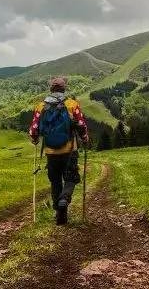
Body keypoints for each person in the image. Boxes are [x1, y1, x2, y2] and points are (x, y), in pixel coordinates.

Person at [29, 76, 89, 225]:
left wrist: (35, 139)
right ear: (64, 89)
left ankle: (59, 216)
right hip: (69, 150)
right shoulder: (71, 104)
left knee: (55, 182)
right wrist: (85, 138)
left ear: (51, 89)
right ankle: (64, 199)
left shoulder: (41, 106)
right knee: (71, 178)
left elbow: (34, 130)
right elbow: (81, 124)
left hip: (50, 152)